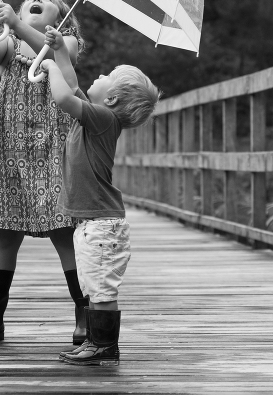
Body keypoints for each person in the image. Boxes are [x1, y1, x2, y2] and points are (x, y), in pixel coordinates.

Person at [0, 0, 88, 344]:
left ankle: (84, 316)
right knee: (6, 231)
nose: (39, 0)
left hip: (53, 143)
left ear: (62, 14)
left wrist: (18, 22)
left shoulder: (65, 40)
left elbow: (54, 53)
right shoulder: (11, 42)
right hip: (12, 142)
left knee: (63, 228)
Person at [40, 25, 160, 366]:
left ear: (111, 100)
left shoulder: (103, 119)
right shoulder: (94, 119)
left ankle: (105, 345)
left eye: (107, 76)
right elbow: (73, 85)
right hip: (93, 223)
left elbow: (64, 96)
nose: (100, 73)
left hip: (101, 225)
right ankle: (96, 341)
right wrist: (60, 51)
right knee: (95, 286)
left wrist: (48, 65)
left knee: (102, 289)